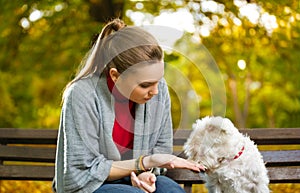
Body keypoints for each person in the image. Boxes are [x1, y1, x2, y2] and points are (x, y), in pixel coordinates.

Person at [53, 18, 204, 193]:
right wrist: (142, 163)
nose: (155, 91)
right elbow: (80, 173)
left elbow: (161, 149)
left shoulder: (159, 89)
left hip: (136, 176)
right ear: (116, 76)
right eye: (145, 85)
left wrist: (146, 174)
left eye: (158, 81)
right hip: (91, 186)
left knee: (171, 190)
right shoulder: (82, 95)